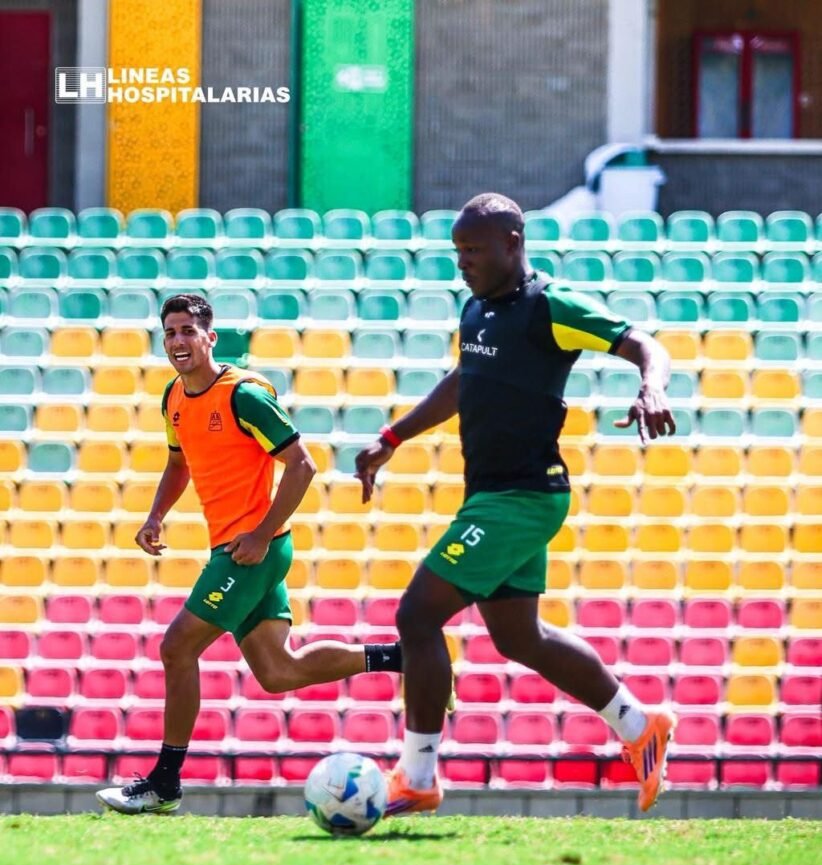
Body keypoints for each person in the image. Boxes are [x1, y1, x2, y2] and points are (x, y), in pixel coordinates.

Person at [355, 192, 677, 816]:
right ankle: (642, 728)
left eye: (473, 250)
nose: (463, 262)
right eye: (457, 251)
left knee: (417, 616)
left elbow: (643, 344)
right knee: (519, 637)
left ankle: (417, 776)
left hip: (521, 497)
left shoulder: (550, 306)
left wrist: (652, 386)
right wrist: (393, 437)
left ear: (513, 242)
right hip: (495, 494)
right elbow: (464, 381)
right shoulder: (476, 308)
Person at [97, 294, 402, 814]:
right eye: (170, 332)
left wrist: (261, 535)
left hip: (251, 551)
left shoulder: (244, 397)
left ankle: (164, 783)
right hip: (236, 547)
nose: (178, 341)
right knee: (279, 671)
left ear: (210, 337)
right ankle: (399, 657)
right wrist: (154, 516)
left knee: (176, 648)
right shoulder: (174, 397)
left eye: (188, 331)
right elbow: (179, 463)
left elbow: (303, 465)